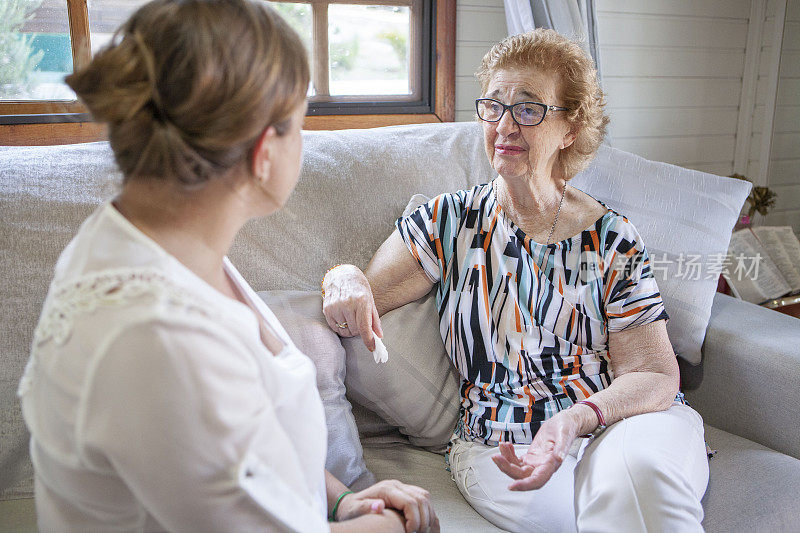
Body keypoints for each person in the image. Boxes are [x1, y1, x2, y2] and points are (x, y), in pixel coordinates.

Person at [17, 1, 438, 531]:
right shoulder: (157, 337)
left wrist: (338, 501)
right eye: (299, 126)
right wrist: (397, 525)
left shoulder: (153, 241)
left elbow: (248, 448)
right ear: (265, 152)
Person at [322, 29, 709, 532]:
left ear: (570, 127)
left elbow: (654, 374)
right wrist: (342, 274)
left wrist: (577, 418)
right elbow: (364, 293)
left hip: (616, 423)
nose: (504, 125)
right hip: (501, 444)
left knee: (640, 483)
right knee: (585, 517)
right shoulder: (449, 223)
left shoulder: (611, 237)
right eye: (494, 106)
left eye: (528, 109)